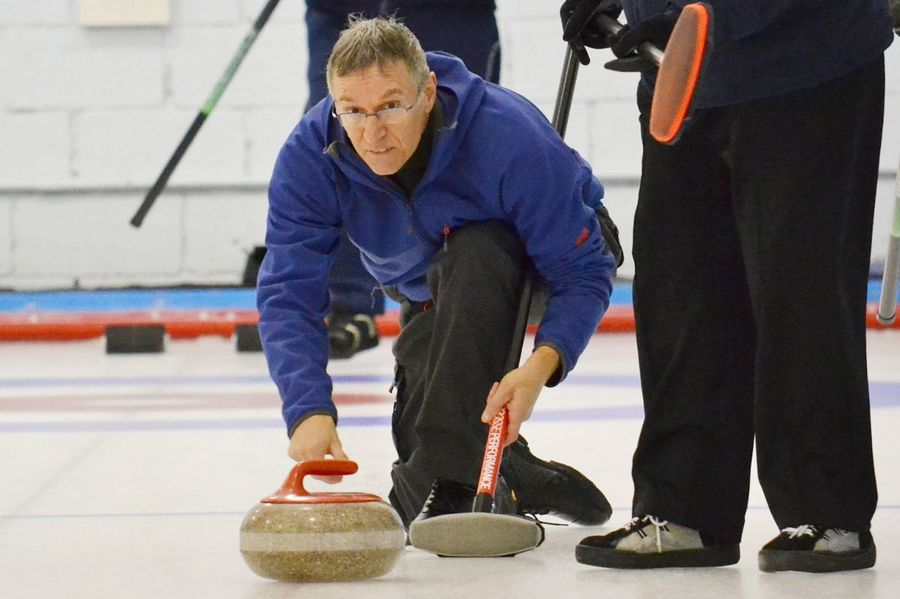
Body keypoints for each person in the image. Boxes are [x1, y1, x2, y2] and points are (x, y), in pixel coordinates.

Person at [560, 0, 895, 573]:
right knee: (680, 292)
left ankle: (827, 510)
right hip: (684, 74)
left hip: (804, 60)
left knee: (801, 291)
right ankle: (684, 508)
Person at [257, 16, 620, 540]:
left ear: (427, 92)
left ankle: (447, 481)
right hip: (428, 284)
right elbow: (289, 291)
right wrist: (307, 409)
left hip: (549, 259)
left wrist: (540, 366)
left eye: (390, 106)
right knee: (422, 433)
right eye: (352, 110)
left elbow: (582, 271)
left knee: (480, 246)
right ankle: (509, 474)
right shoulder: (311, 154)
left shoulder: (507, 135)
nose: (372, 134)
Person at [247, 1, 502, 360]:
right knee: (343, 143)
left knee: (453, 139)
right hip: (342, 10)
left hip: (446, 13)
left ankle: (450, 304)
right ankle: (349, 304)